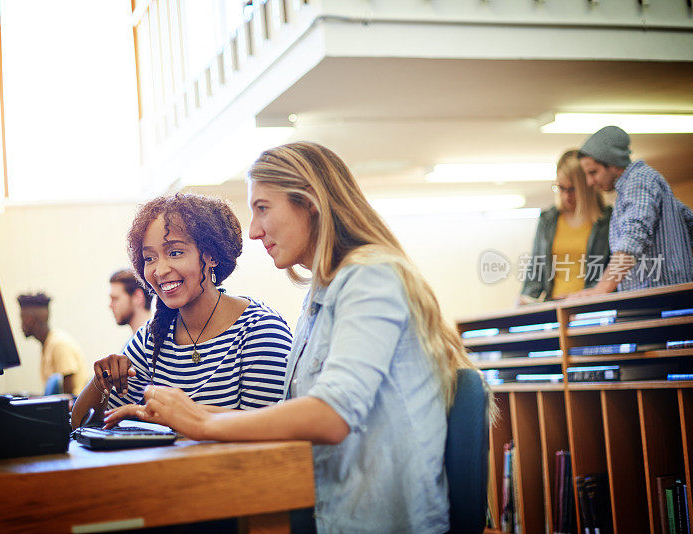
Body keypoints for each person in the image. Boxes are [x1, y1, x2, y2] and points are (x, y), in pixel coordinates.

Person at [105, 142, 480, 533]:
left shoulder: (372, 278)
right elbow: (285, 417)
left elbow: (331, 416)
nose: (252, 230)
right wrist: (177, 417)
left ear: (310, 203)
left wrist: (201, 423)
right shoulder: (320, 294)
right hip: (325, 509)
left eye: (262, 208)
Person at [71, 193, 292, 429]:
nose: (160, 270)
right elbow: (79, 425)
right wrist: (101, 381)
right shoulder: (153, 338)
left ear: (212, 256)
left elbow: (269, 431)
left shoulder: (260, 330)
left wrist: (149, 413)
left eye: (175, 253)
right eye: (149, 258)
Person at [570, 125, 693, 296]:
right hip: (665, 295)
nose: (589, 182)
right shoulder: (645, 182)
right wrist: (673, 263)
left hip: (658, 299)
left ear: (613, 164)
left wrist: (601, 290)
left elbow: (632, 239)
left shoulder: (638, 182)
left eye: (593, 172)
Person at [519, 149, 612, 303]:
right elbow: (536, 269)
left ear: (587, 185)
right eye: (561, 188)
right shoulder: (548, 220)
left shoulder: (606, 220)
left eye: (572, 189)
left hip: (591, 305)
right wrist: (525, 299)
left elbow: (614, 269)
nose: (565, 196)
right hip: (555, 305)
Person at [17, 292, 89, 396]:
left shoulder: (59, 344)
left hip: (73, 409)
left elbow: (67, 397)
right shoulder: (47, 344)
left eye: (22, 319)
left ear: (29, 319)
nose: (21, 325)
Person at [109, 268, 153, 334]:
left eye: (115, 299)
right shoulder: (134, 343)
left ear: (137, 297)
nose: (110, 306)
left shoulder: (160, 341)